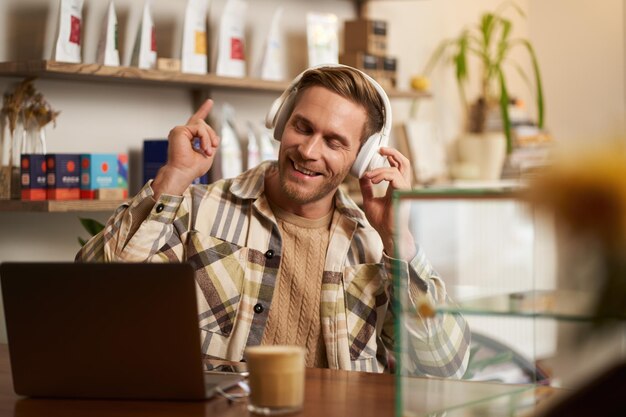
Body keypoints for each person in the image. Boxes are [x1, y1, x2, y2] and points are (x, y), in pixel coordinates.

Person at [77, 65, 469, 377]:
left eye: (334, 142)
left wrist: (398, 242)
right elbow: (95, 301)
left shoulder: (372, 246)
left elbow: (444, 365)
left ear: (361, 159)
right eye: (303, 127)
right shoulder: (198, 209)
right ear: (282, 122)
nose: (309, 151)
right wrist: (173, 177)